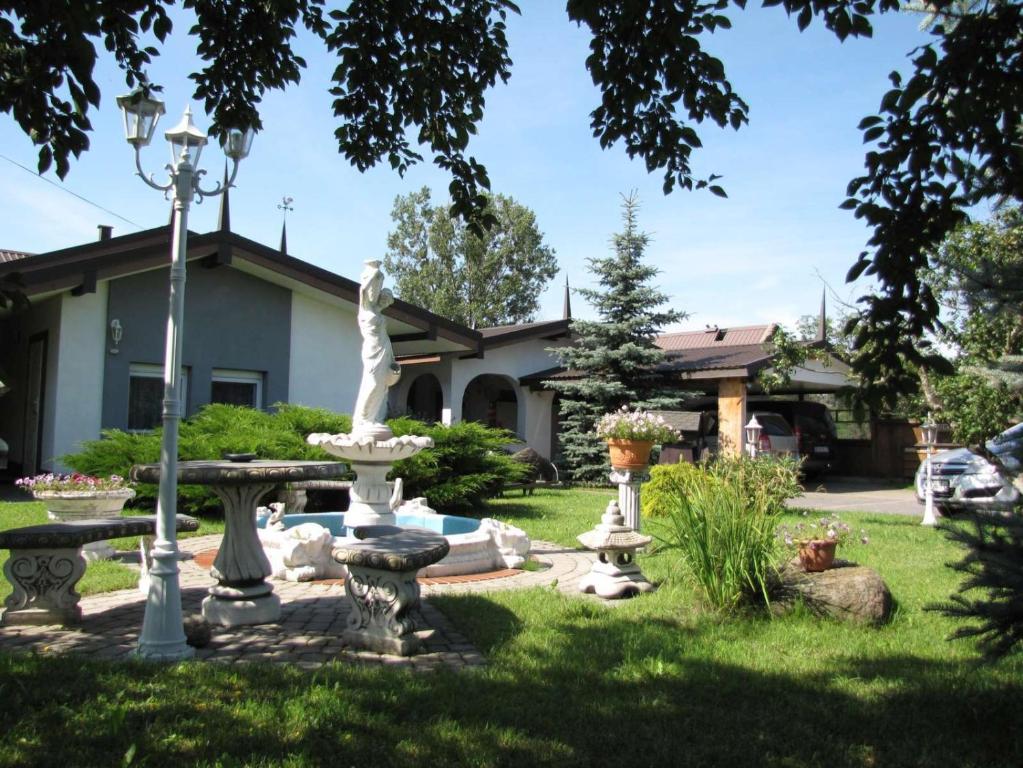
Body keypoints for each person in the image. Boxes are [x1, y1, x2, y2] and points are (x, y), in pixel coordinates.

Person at [352, 260, 401, 436]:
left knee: (381, 387)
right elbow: (364, 291)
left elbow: (386, 337)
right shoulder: (365, 310)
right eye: (385, 298)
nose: (386, 302)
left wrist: (393, 359)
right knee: (372, 384)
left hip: (384, 350)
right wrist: (374, 271)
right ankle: (362, 420)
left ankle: (372, 419)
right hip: (372, 351)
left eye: (388, 301)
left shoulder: (379, 315)